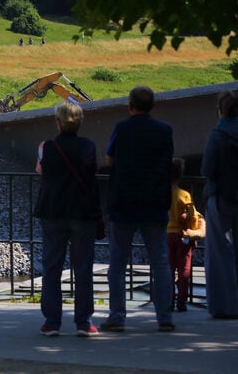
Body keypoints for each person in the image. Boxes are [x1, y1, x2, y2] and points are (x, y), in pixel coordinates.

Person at [101, 86, 175, 332]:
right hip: (154, 203)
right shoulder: (165, 130)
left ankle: (117, 316)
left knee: (118, 263)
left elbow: (110, 158)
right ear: (152, 106)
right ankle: (165, 316)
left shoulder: (122, 129)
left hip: (124, 204)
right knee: (161, 262)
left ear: (130, 106)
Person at [33, 101, 100, 337]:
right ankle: (84, 321)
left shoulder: (46, 147)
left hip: (53, 212)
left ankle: (52, 321)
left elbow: (41, 171)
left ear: (58, 123)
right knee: (83, 268)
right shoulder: (89, 147)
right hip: (82, 213)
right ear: (80, 123)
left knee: (52, 267)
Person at [200, 89, 238, 319]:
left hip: (221, 197)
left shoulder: (218, 134)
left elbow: (207, 169)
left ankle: (224, 306)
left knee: (220, 254)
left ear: (220, 110)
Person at [167, 158, 204, 313]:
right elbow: (191, 216)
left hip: (166, 234)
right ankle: (181, 300)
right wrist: (197, 226)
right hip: (182, 235)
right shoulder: (184, 195)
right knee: (184, 269)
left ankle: (168, 299)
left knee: (168, 268)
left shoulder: (162, 193)